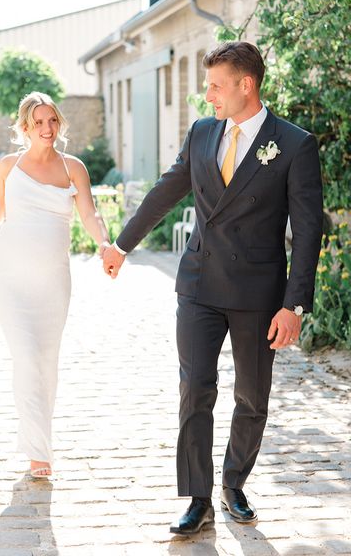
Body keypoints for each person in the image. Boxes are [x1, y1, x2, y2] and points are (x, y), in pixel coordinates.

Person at [102, 42, 323, 534]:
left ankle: (233, 482)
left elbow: (309, 231)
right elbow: (165, 189)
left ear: (247, 85)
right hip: (199, 284)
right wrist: (122, 244)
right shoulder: (203, 132)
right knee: (195, 390)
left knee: (251, 397)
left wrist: (294, 305)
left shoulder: (293, 144)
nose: (207, 96)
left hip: (257, 294)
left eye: (215, 85)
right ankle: (198, 499)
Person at [0, 91, 110, 478]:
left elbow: (89, 214)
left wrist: (105, 243)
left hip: (53, 281)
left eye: (52, 120)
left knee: (46, 361)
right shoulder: (10, 165)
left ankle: (41, 442)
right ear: (25, 127)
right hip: (10, 278)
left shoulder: (74, 168)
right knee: (25, 357)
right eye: (38, 122)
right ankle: (37, 452)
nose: (47, 128)